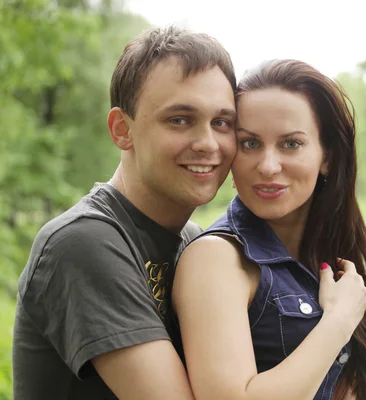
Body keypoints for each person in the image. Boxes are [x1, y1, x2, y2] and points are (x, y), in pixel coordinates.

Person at [12, 26, 237, 399]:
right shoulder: (82, 242)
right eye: (179, 119)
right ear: (122, 129)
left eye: (222, 123)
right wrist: (337, 323)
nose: (208, 143)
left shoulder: (194, 243)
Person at [174, 59, 366, 400]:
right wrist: (338, 322)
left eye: (291, 144)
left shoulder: (332, 256)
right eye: (250, 143)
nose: (268, 166)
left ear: (327, 157)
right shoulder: (216, 257)